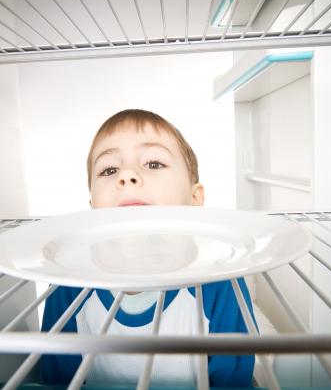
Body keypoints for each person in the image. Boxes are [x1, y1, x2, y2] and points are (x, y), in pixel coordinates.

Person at [40, 109, 257, 387]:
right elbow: (58, 381)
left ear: (194, 198)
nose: (126, 175)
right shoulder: (68, 286)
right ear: (93, 206)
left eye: (153, 164)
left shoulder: (220, 283)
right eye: (109, 170)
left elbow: (232, 382)